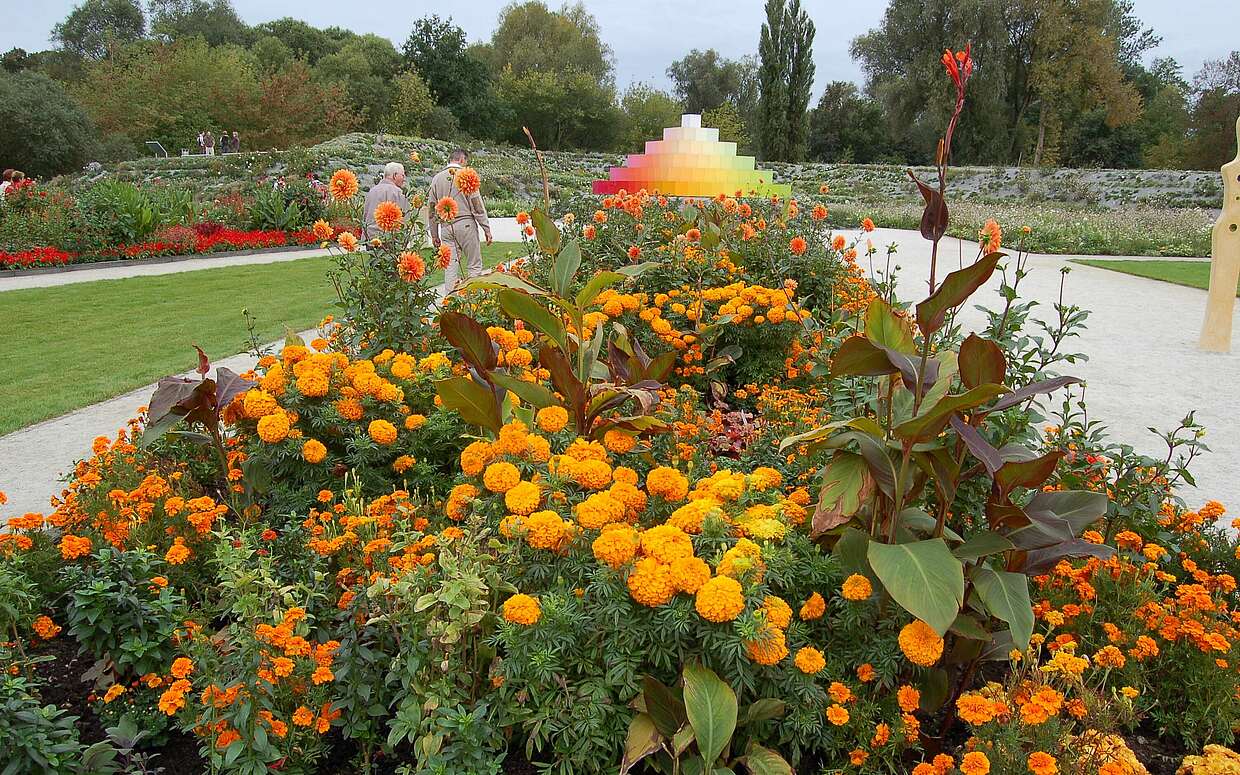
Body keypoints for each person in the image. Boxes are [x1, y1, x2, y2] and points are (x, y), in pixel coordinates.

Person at [428, 149, 491, 296]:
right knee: (474, 265)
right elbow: (477, 206)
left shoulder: (436, 179)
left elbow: (431, 210)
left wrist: (434, 234)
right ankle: (473, 299)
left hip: (446, 227)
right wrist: (486, 228)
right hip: (466, 224)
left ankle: (450, 302)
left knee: (450, 267)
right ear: (462, 160)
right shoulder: (466, 176)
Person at [362, 162, 411, 240]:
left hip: (370, 237)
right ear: (394, 175)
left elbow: (365, 215)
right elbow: (404, 219)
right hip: (389, 239)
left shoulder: (372, 191)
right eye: (402, 175)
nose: (404, 179)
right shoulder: (398, 192)